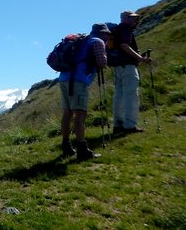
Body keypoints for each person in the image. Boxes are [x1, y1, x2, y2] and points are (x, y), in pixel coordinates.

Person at [59, 23, 111, 161]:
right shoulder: (98, 42)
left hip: (64, 78)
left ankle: (66, 146)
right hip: (78, 80)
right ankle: (82, 150)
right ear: (103, 33)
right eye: (107, 34)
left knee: (67, 113)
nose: (108, 37)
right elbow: (102, 63)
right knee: (80, 114)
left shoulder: (81, 40)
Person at [111, 10, 152, 134]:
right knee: (131, 95)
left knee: (119, 95)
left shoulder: (116, 30)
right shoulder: (125, 28)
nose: (135, 20)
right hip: (128, 66)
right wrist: (140, 58)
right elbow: (124, 45)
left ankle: (118, 124)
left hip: (117, 66)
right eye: (132, 18)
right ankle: (130, 126)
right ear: (124, 18)